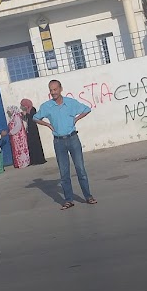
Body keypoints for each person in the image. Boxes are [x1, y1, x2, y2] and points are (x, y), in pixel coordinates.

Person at [34, 80, 97, 210]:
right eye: (51, 90)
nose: (53, 92)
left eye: (55, 89)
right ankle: (68, 200)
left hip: (73, 139)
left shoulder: (70, 103)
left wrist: (76, 119)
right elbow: (35, 118)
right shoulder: (47, 106)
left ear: (61, 89)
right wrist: (47, 124)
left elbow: (87, 109)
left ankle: (88, 196)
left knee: (80, 169)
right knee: (64, 173)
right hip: (59, 142)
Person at [20, 98, 46, 166]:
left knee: (35, 144)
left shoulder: (32, 109)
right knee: (31, 145)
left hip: (33, 129)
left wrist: (26, 114)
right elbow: (26, 119)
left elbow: (33, 118)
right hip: (29, 129)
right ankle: (33, 160)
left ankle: (38, 160)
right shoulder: (27, 110)